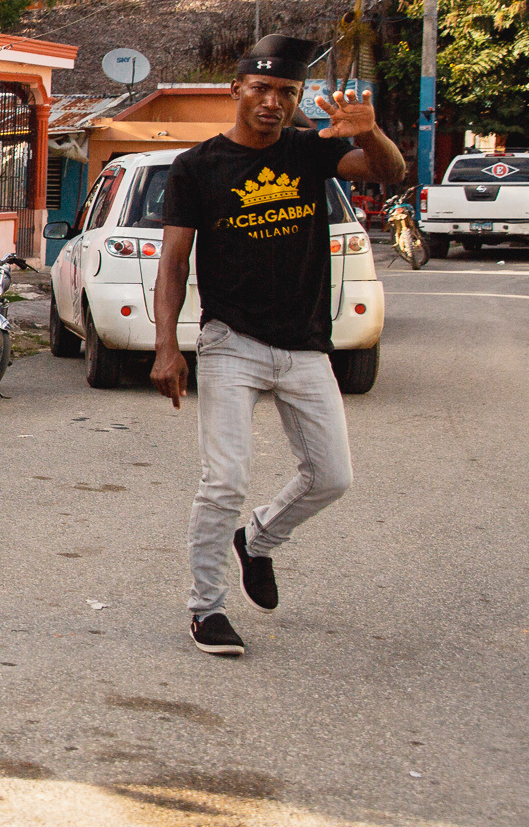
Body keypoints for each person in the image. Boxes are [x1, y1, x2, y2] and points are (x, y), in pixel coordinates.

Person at [150, 34, 405, 658]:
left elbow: (389, 173)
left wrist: (369, 133)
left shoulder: (308, 150)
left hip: (305, 344)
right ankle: (206, 609)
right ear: (237, 88)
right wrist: (167, 346)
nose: (272, 101)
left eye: (286, 93)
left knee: (332, 477)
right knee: (224, 481)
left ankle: (258, 540)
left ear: (297, 100)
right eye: (260, 88)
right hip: (230, 340)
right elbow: (174, 263)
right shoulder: (197, 167)